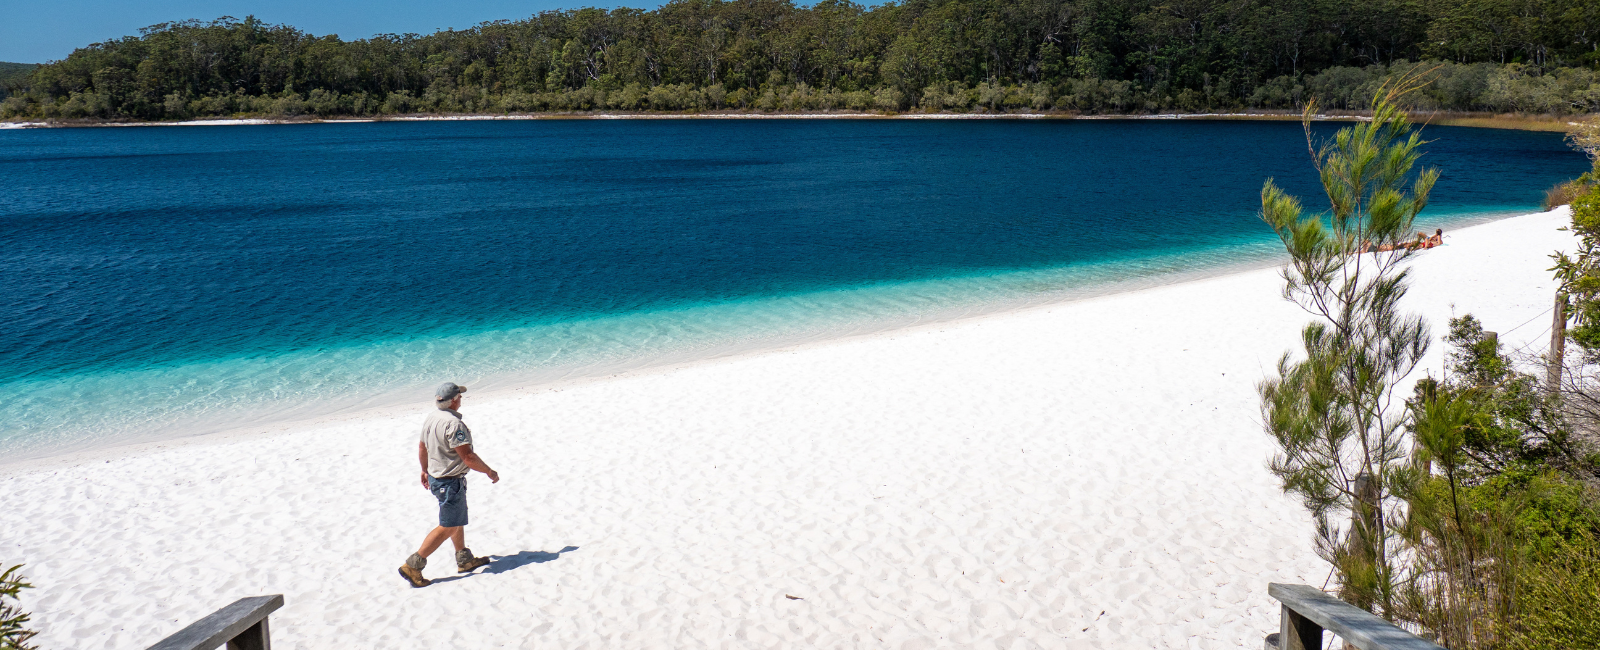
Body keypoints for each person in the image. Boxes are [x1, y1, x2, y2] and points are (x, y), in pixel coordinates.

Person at [398, 382, 500, 588]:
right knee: (449, 525)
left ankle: (464, 559)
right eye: (459, 396)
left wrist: (424, 470)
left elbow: (422, 447)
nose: (461, 399)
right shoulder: (454, 425)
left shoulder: (431, 418)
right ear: (454, 400)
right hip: (449, 481)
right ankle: (413, 565)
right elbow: (468, 456)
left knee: (457, 517)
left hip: (437, 478)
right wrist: (489, 471)